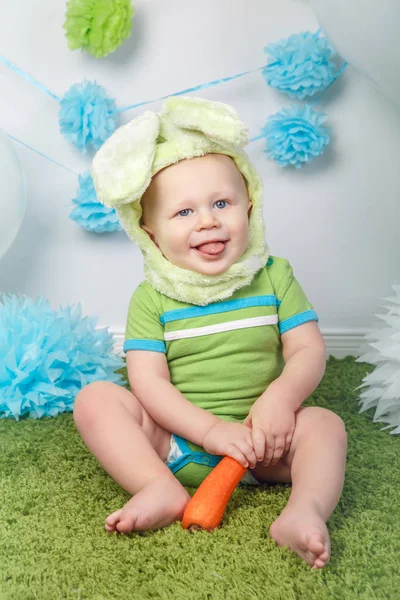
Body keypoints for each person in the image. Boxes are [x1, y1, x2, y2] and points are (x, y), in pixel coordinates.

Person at [73, 96, 347, 569]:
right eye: (183, 213)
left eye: (221, 202)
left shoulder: (274, 276)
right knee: (95, 400)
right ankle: (157, 485)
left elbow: (307, 349)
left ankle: (303, 511)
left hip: (267, 443)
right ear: (150, 233)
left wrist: (280, 402)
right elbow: (149, 384)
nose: (207, 220)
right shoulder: (152, 298)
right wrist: (209, 430)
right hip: (178, 444)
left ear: (249, 206)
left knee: (325, 425)